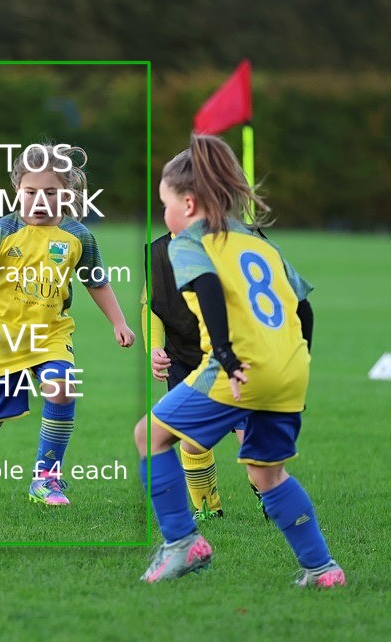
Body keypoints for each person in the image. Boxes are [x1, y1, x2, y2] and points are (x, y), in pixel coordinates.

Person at [135, 134, 343, 587]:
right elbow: (302, 307)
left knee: (149, 436)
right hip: (288, 372)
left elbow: (207, 286)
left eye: (165, 203)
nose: (164, 214)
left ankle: (181, 542)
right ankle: (322, 569)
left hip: (238, 369)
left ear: (188, 204)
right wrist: (297, 361)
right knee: (268, 474)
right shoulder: (260, 242)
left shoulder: (186, 242)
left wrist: (226, 356)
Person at [0, 144, 135, 506]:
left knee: (62, 385)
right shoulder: (0, 232)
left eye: (50, 193)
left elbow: (97, 281)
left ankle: (46, 480)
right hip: (3, 338)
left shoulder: (78, 236)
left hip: (52, 333)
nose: (40, 200)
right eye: (31, 192)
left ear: (66, 193)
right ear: (17, 191)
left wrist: (119, 321)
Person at [143, 233, 272, 520]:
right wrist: (153, 347)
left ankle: (271, 497)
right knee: (191, 438)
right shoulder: (159, 252)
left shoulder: (239, 241)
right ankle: (208, 510)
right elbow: (151, 304)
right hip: (185, 357)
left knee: (251, 436)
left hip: (238, 356)